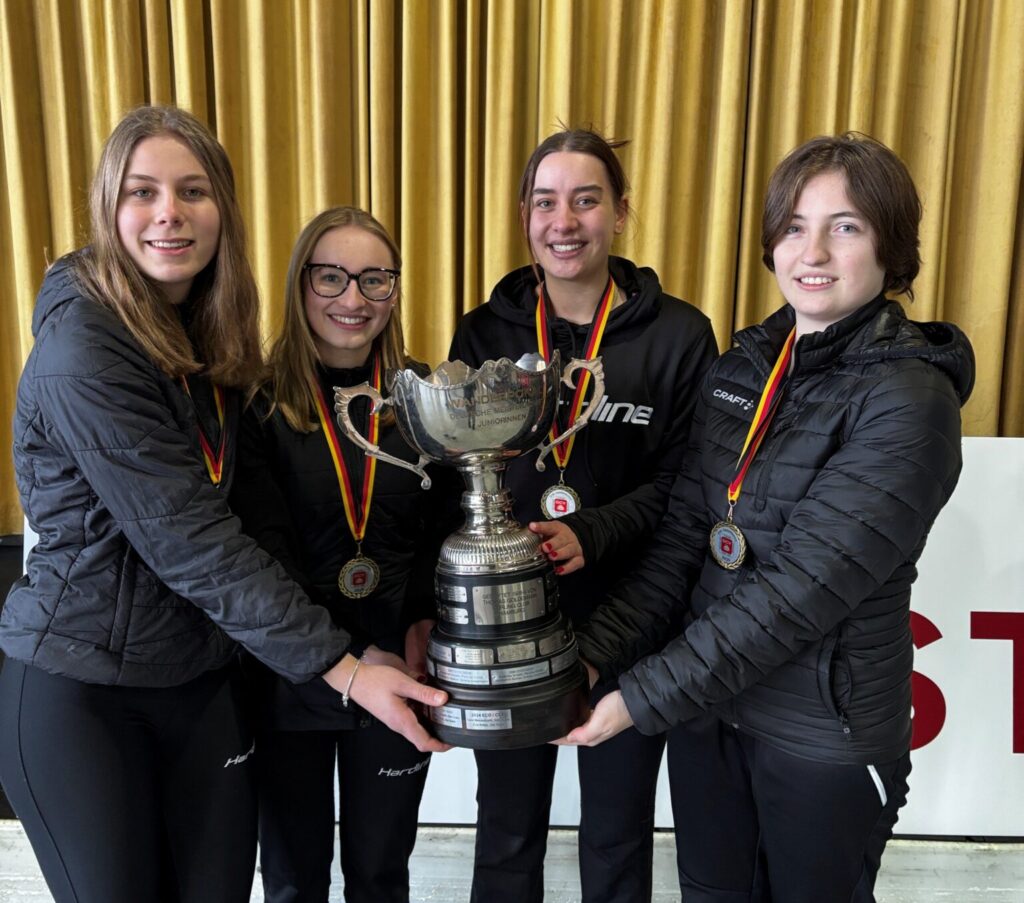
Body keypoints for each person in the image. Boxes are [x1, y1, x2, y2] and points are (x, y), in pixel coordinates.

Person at [0, 106, 446, 903]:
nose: (169, 212)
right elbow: (193, 539)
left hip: (201, 678)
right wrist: (345, 666)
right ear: (108, 205)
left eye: (193, 190)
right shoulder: (83, 345)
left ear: (222, 212)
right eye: (143, 191)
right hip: (87, 682)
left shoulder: (206, 338)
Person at [565, 133, 975, 902]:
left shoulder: (910, 399)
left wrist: (636, 698)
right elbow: (683, 544)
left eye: (844, 226)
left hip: (822, 740)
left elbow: (795, 592)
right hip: (709, 720)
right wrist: (589, 660)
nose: (811, 251)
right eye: (794, 226)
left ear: (890, 245)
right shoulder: (746, 365)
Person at [449, 127, 719, 903]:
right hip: (510, 623)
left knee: (617, 831)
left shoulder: (680, 336)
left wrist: (593, 531)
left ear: (621, 212)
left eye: (586, 200)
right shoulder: (485, 331)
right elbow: (463, 472)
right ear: (524, 217)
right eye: (545, 202)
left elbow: (688, 485)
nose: (563, 221)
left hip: (634, 618)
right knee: (505, 828)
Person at [229, 206, 459, 903]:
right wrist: (350, 658)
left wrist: (420, 620)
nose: (353, 298)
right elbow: (263, 553)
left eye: (374, 279)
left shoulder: (422, 397)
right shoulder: (256, 403)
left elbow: (439, 529)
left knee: (381, 873)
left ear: (394, 289)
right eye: (331, 277)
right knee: (293, 878)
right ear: (300, 284)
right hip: (293, 673)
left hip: (398, 667)